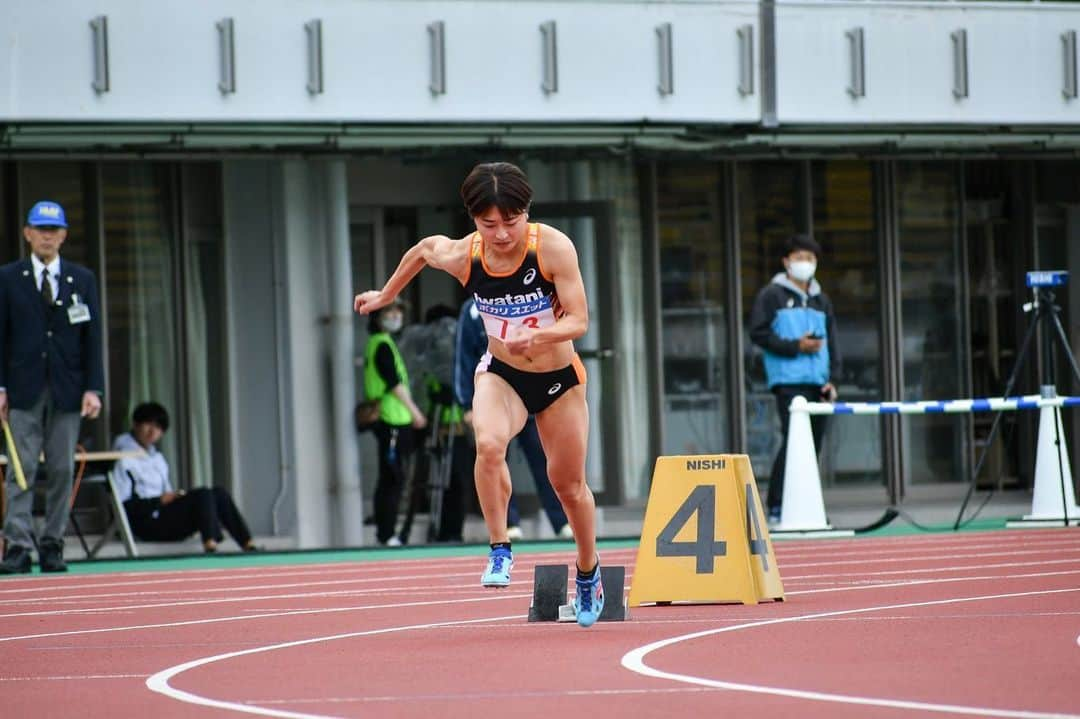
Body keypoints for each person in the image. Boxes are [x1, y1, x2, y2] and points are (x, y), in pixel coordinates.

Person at [354, 162, 604, 627]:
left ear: (525, 213)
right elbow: (424, 250)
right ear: (474, 220)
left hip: (557, 378)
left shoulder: (551, 246)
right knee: (488, 445)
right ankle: (499, 549)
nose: (503, 234)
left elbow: (579, 320)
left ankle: (588, 571)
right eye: (490, 224)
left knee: (567, 485)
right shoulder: (464, 255)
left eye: (511, 222)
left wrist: (541, 338)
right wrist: (386, 295)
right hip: (501, 372)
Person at [0, 201, 103, 575]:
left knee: (61, 468)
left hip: (67, 389)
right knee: (21, 470)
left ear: (63, 235)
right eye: (40, 228)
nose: (47, 235)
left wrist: (94, 388)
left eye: (53, 229)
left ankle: (52, 543)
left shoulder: (82, 279)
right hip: (23, 388)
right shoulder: (8, 278)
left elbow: (92, 339)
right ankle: (17, 545)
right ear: (27, 232)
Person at [454, 297, 571, 540]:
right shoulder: (473, 310)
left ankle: (561, 521)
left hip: (531, 395)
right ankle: (508, 523)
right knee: (494, 458)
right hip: (494, 398)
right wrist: (467, 403)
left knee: (545, 458)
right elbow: (464, 357)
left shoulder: (528, 300)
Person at [748, 234, 841, 526]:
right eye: (799, 258)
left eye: (810, 259)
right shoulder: (771, 295)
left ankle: (807, 509)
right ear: (786, 261)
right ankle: (777, 507)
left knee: (813, 447)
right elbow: (758, 333)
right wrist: (795, 346)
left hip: (819, 381)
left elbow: (833, 342)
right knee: (794, 444)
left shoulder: (821, 300)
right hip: (788, 381)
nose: (805, 264)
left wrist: (833, 378)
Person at [113, 402, 257, 553]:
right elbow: (123, 506)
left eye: (158, 428)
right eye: (148, 424)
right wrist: (158, 501)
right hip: (146, 524)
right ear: (136, 424)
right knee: (202, 494)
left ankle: (247, 543)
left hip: (164, 517)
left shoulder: (157, 458)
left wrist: (173, 498)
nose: (153, 432)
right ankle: (210, 544)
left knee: (218, 493)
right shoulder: (123, 458)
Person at [363, 301, 427, 546]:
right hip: (392, 419)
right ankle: (387, 533)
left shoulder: (384, 343)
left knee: (392, 477)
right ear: (377, 317)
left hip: (394, 418)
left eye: (398, 311)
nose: (395, 316)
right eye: (389, 312)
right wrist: (415, 412)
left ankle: (387, 532)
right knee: (393, 477)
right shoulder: (381, 345)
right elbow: (394, 383)